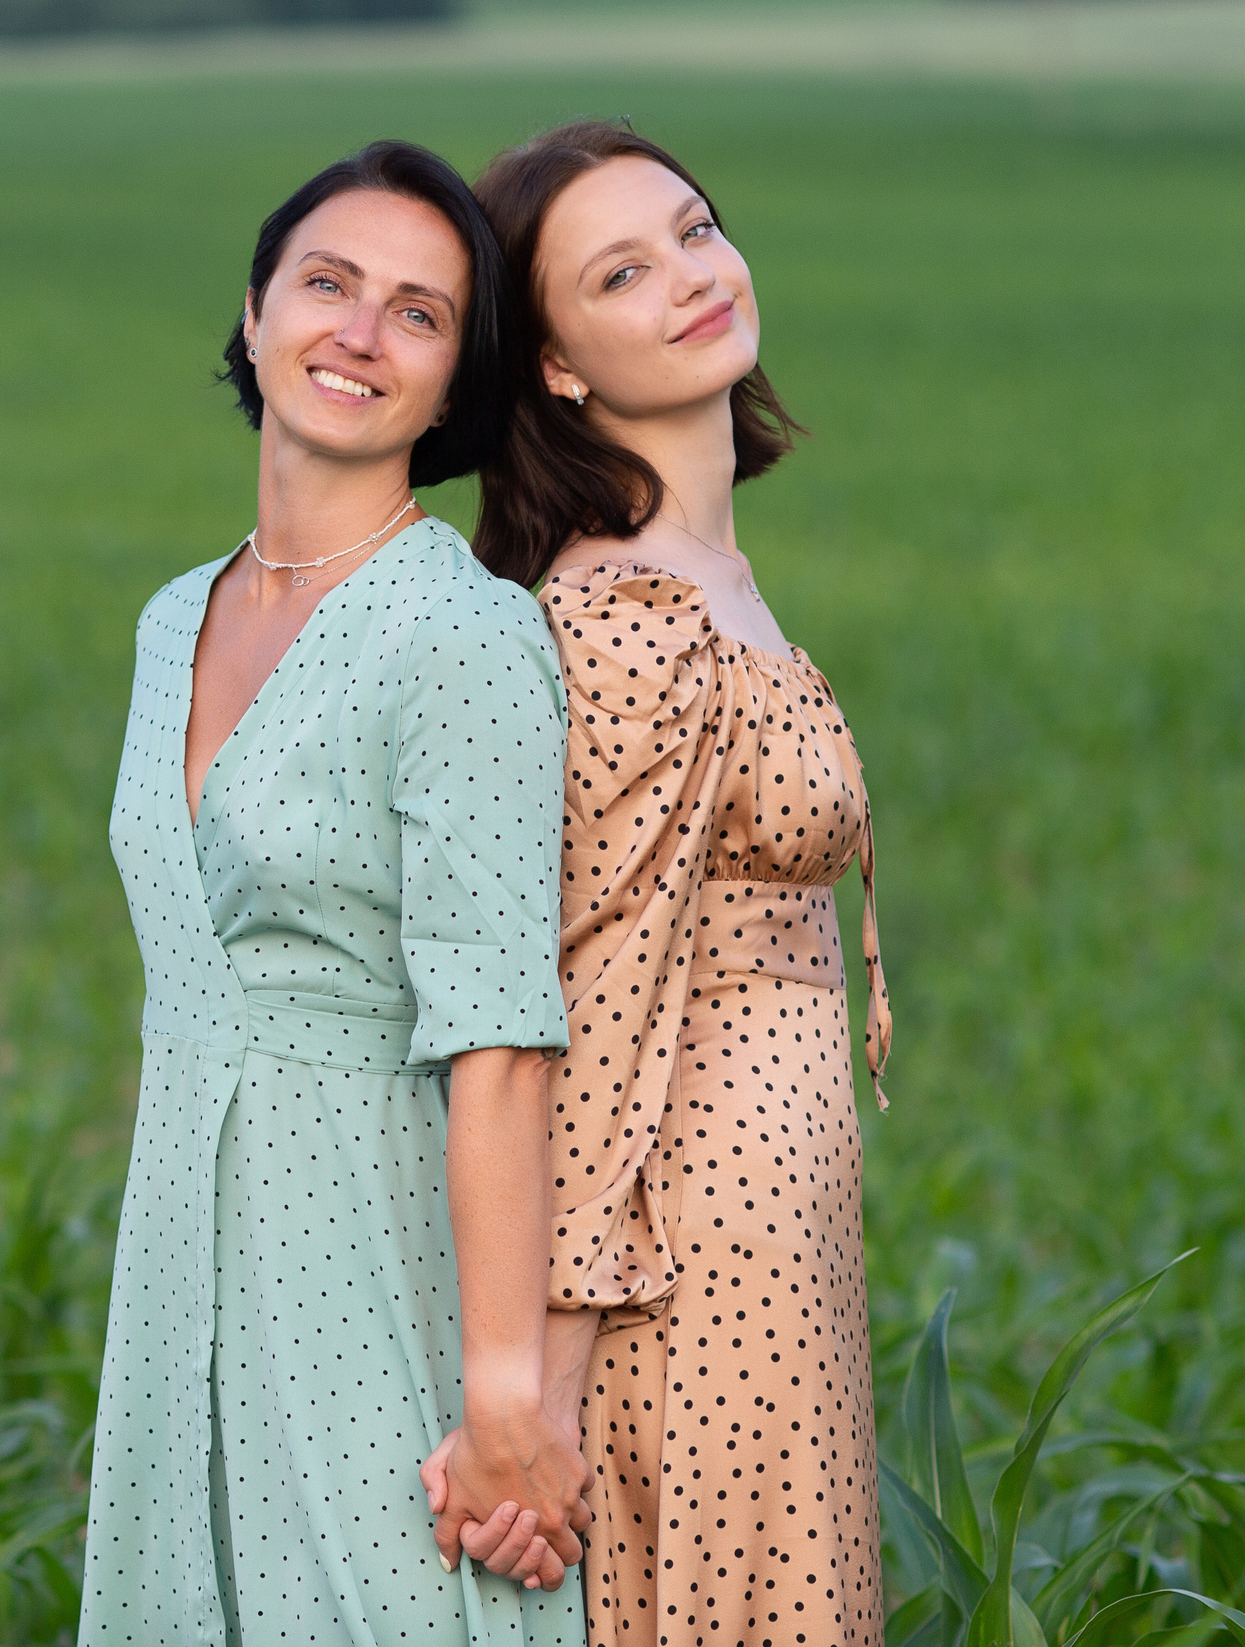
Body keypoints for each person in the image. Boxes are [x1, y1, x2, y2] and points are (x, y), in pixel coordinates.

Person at [80, 139, 592, 1647]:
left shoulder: (465, 634)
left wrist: (502, 1398)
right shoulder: (177, 617)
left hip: (369, 1241)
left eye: (419, 315)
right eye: (329, 285)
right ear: (254, 313)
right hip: (181, 1243)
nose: (360, 335)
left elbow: (499, 1031)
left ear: (453, 387)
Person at [432, 119, 896, 1647]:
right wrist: (536, 1410)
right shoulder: (624, 613)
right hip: (688, 1276)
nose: (691, 276)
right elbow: (596, 1014)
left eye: (695, 230)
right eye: (622, 272)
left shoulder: (710, 574)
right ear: (558, 365)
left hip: (778, 1234)